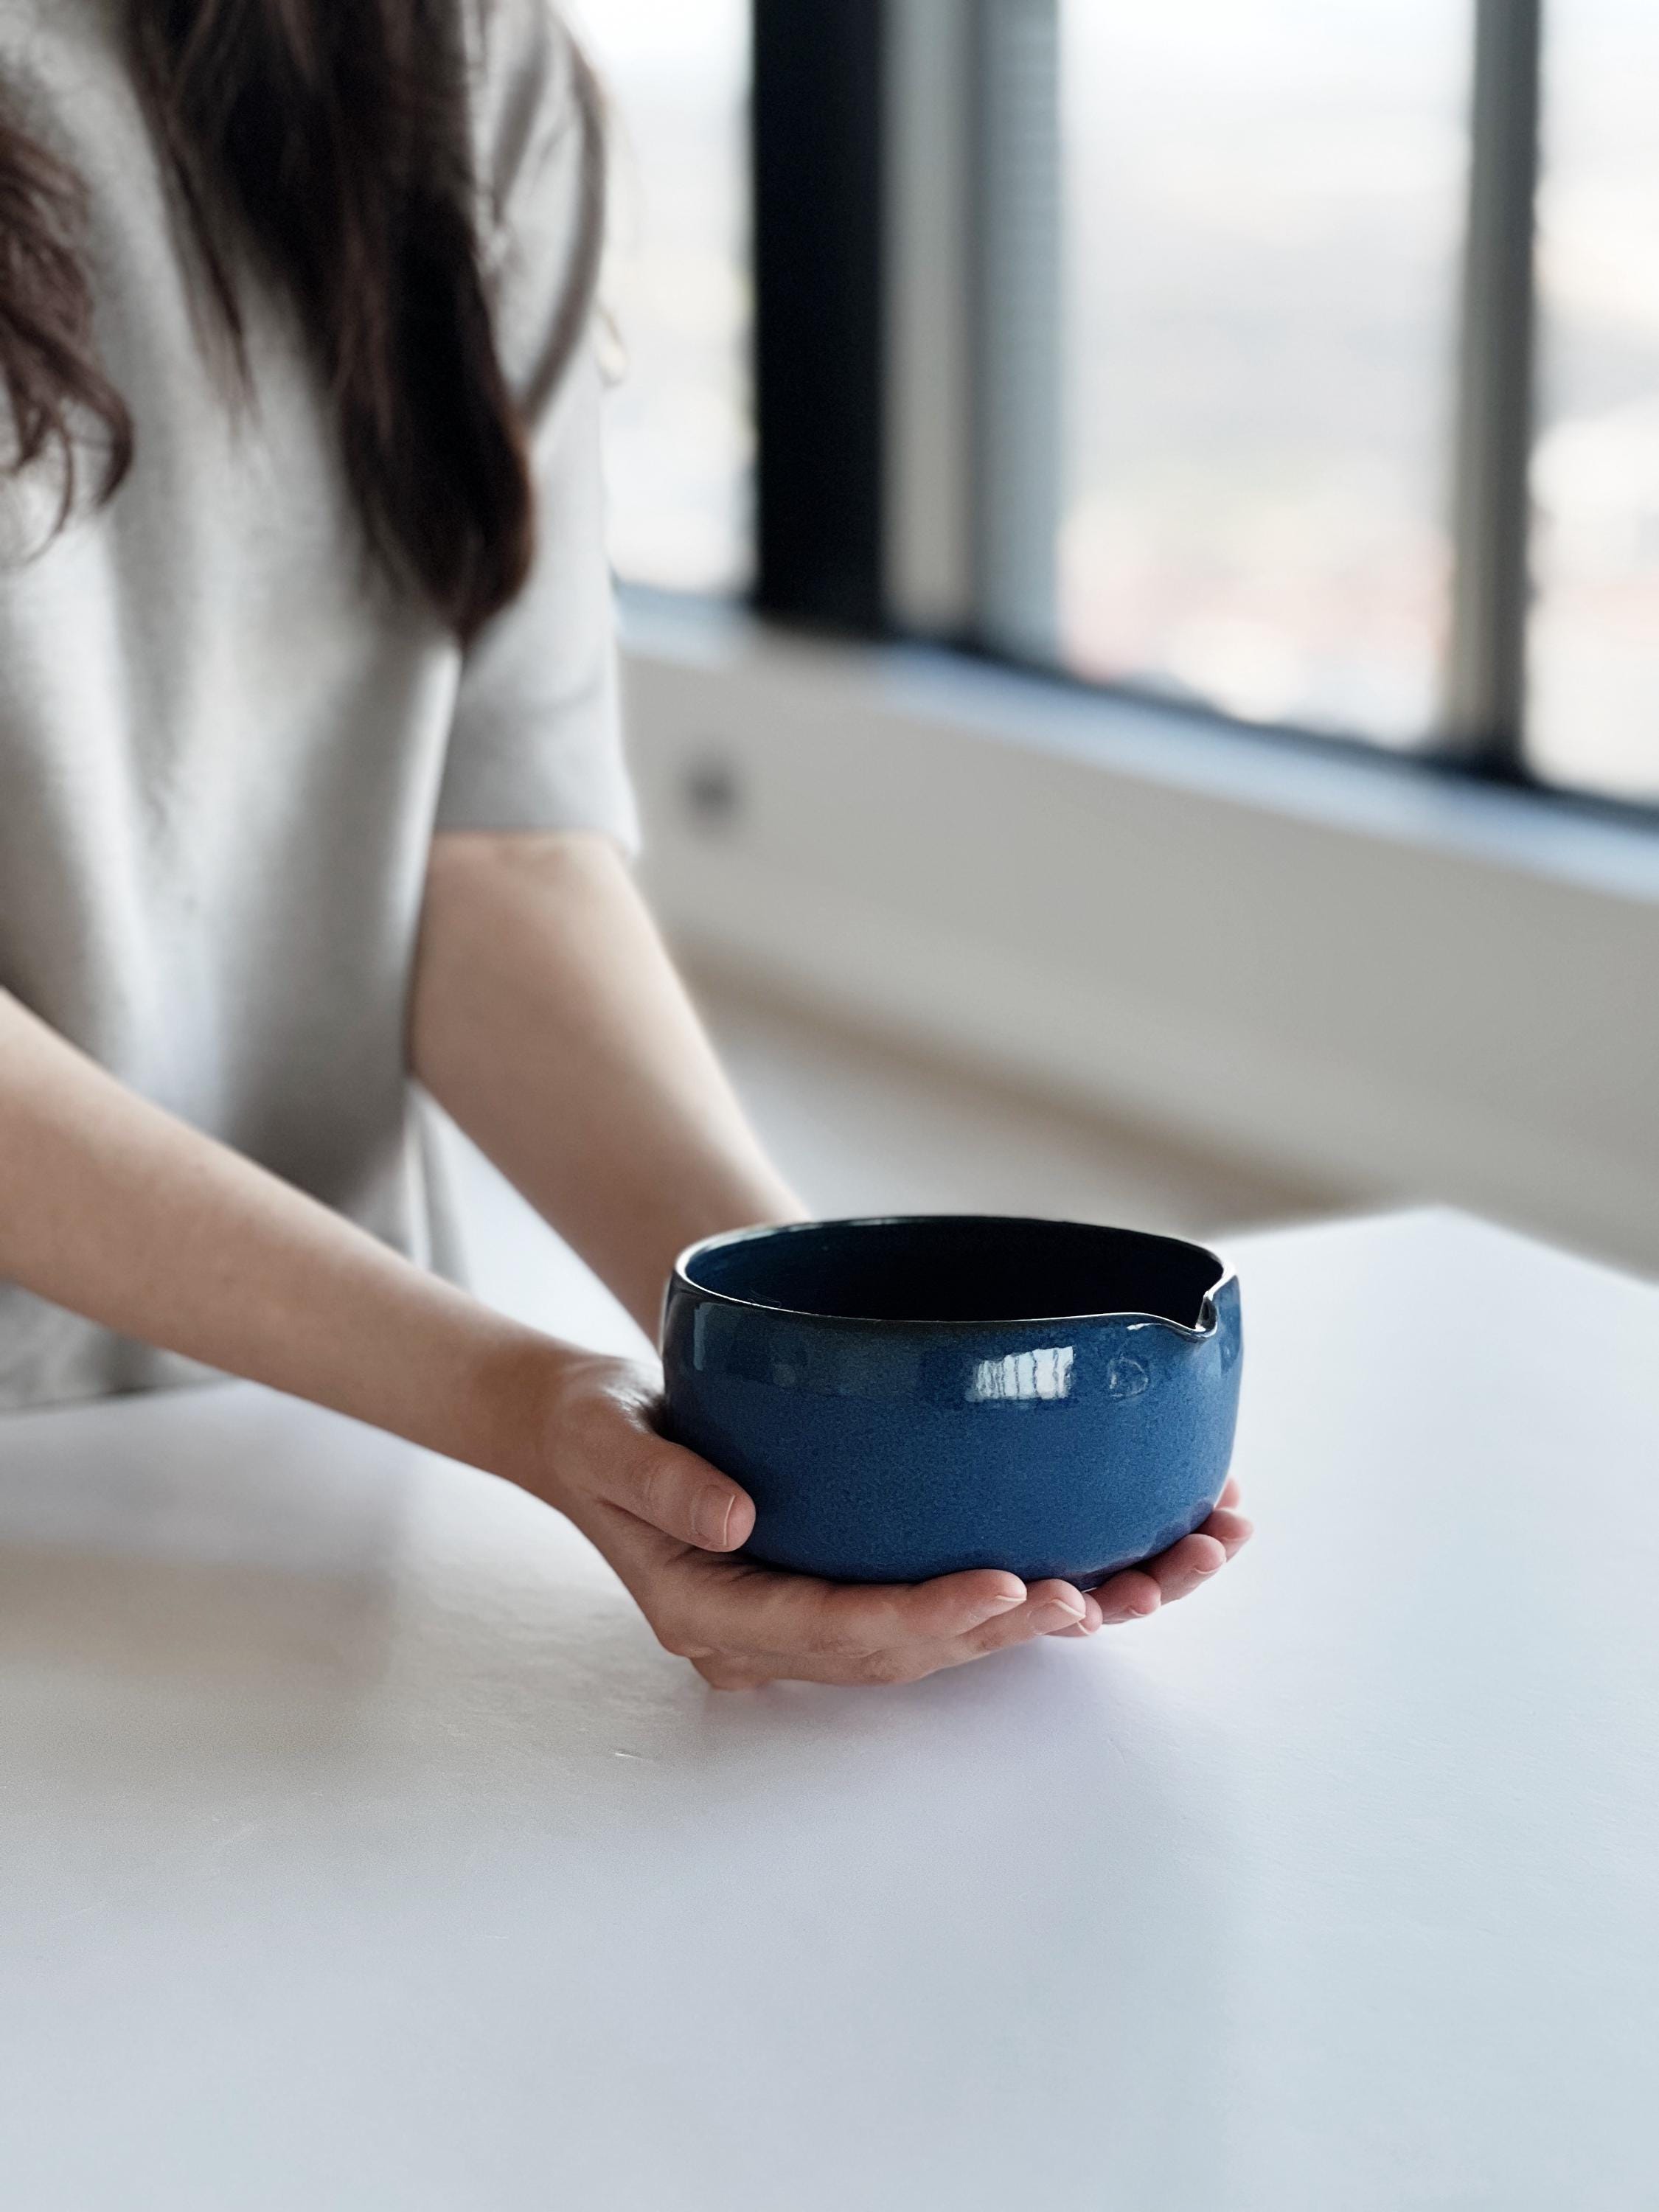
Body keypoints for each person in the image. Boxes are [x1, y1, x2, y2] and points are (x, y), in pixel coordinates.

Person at [0, 0, 1251, 1690]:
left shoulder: (448, 64)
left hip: (296, 1443)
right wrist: (520, 1401)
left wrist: (809, 1378)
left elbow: (491, 851)